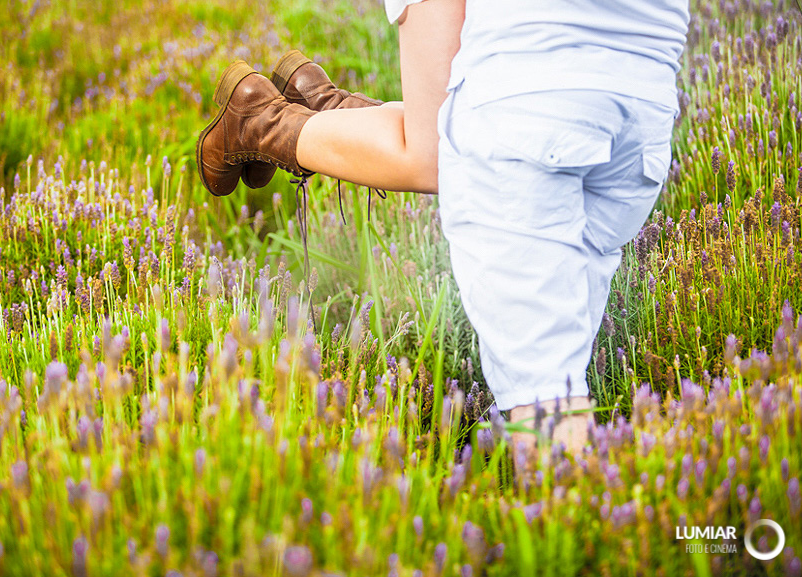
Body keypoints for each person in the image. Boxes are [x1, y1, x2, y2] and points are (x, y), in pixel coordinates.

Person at [195, 0, 690, 460]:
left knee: (548, 403)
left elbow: (431, 145)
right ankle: (306, 103)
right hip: (642, 132)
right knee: (560, 359)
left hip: (531, 128)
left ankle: (261, 119)